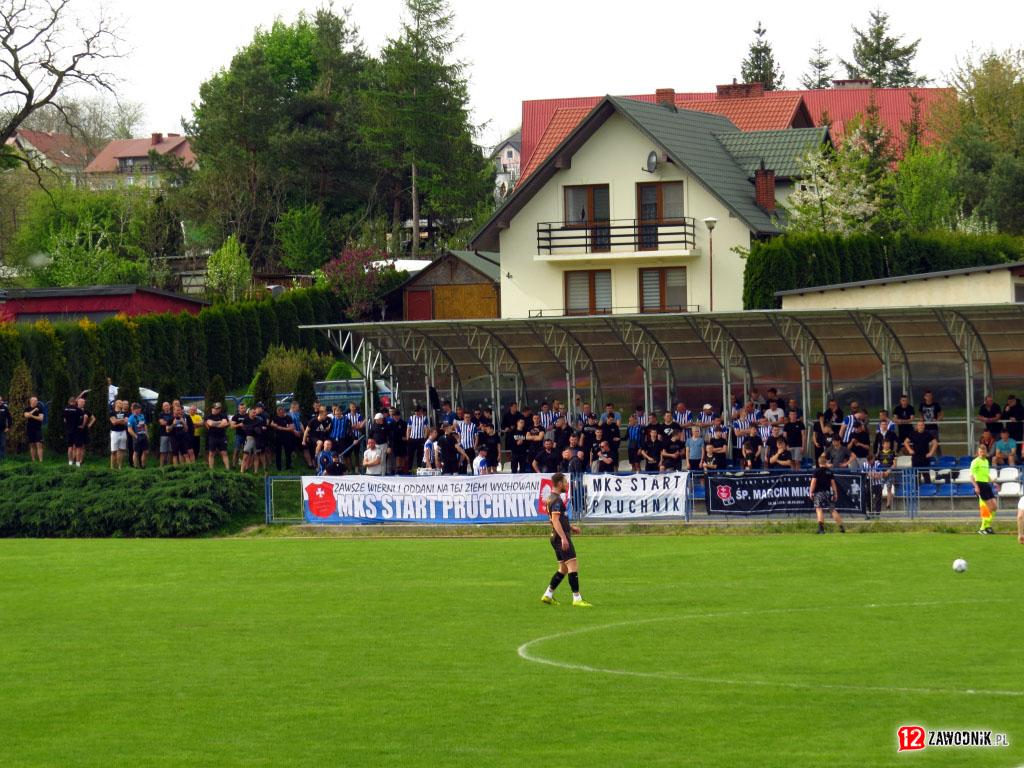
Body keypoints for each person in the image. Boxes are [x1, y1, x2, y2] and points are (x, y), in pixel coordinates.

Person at [540, 473, 591, 607]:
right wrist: (564, 538)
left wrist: (571, 527)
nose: (567, 484)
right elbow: (556, 520)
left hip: (554, 537)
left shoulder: (550, 498)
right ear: (560, 484)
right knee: (573, 565)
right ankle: (577, 598)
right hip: (559, 537)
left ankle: (548, 594)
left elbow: (556, 519)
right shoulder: (556, 500)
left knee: (563, 568)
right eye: (565, 482)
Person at [810, 455, 845, 533]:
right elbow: (833, 484)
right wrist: (835, 493)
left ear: (819, 463)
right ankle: (841, 527)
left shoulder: (816, 471)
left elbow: (813, 483)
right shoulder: (829, 472)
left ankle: (821, 529)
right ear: (825, 463)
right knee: (832, 510)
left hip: (818, 493)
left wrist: (811, 492)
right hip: (827, 493)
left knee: (819, 509)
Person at [970, 444, 998, 535]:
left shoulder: (986, 461)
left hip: (986, 485)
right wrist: (976, 487)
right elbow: (971, 476)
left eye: (984, 451)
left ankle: (987, 526)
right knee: (988, 508)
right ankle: (982, 528)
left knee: (995, 507)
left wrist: (993, 482)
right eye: (980, 451)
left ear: (986, 451)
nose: (982, 453)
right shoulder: (975, 461)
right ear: (978, 452)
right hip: (980, 485)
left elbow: (986, 475)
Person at [205, 403, 231, 469]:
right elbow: (210, 424)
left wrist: (215, 424)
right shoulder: (208, 416)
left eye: (219, 408)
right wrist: (220, 422)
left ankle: (227, 469)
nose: (217, 410)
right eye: (216, 408)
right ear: (212, 409)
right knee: (211, 453)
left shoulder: (223, 415)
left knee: (224, 453)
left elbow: (224, 423)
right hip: (212, 437)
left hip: (222, 437)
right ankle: (211, 470)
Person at [127, 402, 149, 468]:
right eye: (138, 409)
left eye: (140, 409)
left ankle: (143, 466)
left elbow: (145, 425)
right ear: (134, 410)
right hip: (137, 436)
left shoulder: (141, 416)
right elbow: (129, 429)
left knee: (146, 451)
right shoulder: (131, 418)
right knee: (136, 452)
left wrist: (147, 433)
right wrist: (136, 436)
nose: (140, 410)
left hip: (143, 435)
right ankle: (136, 466)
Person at [109, 399, 129, 469]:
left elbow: (126, 422)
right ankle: (112, 467)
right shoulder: (112, 412)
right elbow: (113, 422)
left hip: (123, 432)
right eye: (120, 403)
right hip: (115, 433)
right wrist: (121, 420)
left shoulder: (125, 413)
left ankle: (119, 466)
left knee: (121, 450)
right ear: (116, 404)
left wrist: (118, 420)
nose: (122, 404)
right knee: (113, 451)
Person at [24, 396, 44, 462]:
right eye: (35, 401)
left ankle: (41, 461)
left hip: (38, 429)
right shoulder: (27, 408)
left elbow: (41, 418)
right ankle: (33, 460)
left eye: (37, 400)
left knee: (39, 444)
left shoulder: (40, 408)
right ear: (31, 401)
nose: (36, 402)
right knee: (32, 445)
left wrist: (31, 416)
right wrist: (34, 410)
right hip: (30, 429)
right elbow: (26, 416)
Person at [62, 396, 82, 466]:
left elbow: (64, 420)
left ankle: (70, 462)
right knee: (78, 447)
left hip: (69, 430)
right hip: (77, 430)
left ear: (69, 401)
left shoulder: (65, 409)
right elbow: (81, 419)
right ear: (75, 402)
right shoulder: (78, 409)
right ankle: (77, 463)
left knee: (70, 447)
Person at [0, 394, 10, 461]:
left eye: (1, 400)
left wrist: (8, 427)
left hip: (2, 430)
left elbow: (9, 418)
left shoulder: (5, 408)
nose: (0, 401)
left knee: (3, 444)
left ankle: (3, 459)